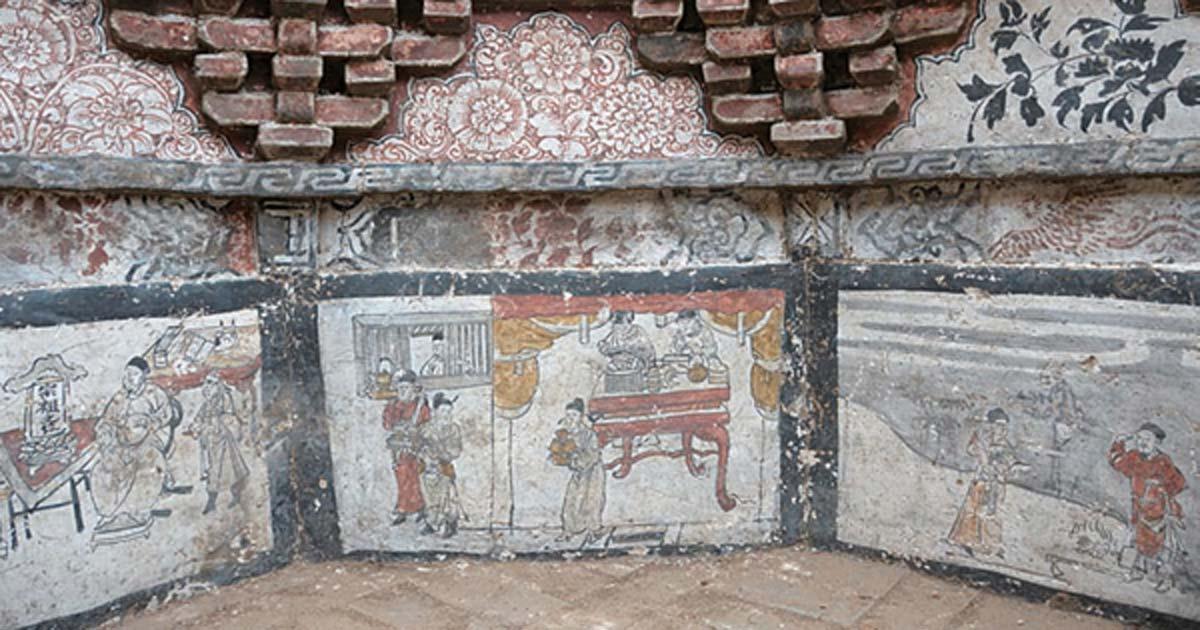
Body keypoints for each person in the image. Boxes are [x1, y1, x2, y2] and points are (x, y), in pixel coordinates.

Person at [90, 357, 182, 535]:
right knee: (103, 468)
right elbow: (106, 421)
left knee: (147, 463)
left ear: (144, 375)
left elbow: (166, 415)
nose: (128, 378)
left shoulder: (154, 394)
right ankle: (110, 513)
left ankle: (138, 511)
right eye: (127, 374)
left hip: (148, 440)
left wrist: (148, 423)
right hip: (122, 443)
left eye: (133, 374)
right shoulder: (120, 398)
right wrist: (105, 433)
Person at [1109, 423, 1187, 592]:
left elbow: (1179, 483)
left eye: (1147, 439)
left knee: (1161, 546)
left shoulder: (1163, 462)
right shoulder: (1134, 457)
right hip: (1139, 509)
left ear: (1157, 442)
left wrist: (1160, 487)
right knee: (1137, 541)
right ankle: (1137, 571)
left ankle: (1165, 579)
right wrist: (1118, 443)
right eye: (1139, 438)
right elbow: (1117, 462)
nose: (1142, 442)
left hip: (1158, 511)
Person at [947, 408, 1027, 558]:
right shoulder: (983, 440)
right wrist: (984, 453)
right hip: (983, 480)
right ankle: (965, 540)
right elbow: (972, 450)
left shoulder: (1004, 444)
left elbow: (1010, 459)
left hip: (997, 482)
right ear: (991, 426)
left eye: (1004, 426)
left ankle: (991, 544)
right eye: (999, 425)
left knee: (993, 514)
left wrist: (1012, 465)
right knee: (973, 510)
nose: (1002, 430)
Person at [189, 372, 250, 515]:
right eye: (207, 383)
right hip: (211, 443)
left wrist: (212, 425)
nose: (207, 386)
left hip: (223, 443)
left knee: (229, 472)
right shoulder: (207, 403)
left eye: (211, 383)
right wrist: (195, 427)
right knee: (213, 472)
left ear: (218, 385)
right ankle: (212, 502)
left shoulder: (224, 399)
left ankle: (234, 497)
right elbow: (199, 417)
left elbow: (228, 418)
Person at [383, 369, 430, 525]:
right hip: (399, 448)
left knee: (415, 477)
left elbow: (427, 425)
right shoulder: (392, 406)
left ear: (413, 389)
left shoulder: (420, 407)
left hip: (417, 447)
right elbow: (387, 424)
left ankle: (418, 507)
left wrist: (418, 431)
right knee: (402, 477)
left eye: (406, 388)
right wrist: (399, 427)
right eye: (400, 388)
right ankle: (404, 508)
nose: (402, 391)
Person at [558, 398, 606, 544]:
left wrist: (576, 460)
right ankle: (568, 530)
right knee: (571, 499)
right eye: (568, 415)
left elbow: (593, 454)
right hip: (578, 472)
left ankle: (594, 531)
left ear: (580, 416)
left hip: (592, 471)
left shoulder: (588, 433)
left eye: (574, 415)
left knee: (592, 500)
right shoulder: (567, 433)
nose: (570, 418)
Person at [417, 393, 464, 537]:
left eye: (449, 411)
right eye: (443, 411)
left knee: (446, 497)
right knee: (429, 498)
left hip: (443, 467)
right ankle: (431, 523)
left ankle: (448, 524)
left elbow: (456, 450)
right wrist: (426, 455)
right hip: (427, 467)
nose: (446, 415)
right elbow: (418, 447)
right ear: (436, 412)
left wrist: (443, 452)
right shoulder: (425, 428)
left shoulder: (454, 429)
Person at [597, 311, 656, 392]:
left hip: (635, 374)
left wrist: (633, 351)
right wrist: (611, 350)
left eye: (623, 323)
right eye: (617, 324)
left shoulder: (638, 331)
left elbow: (649, 353)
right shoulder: (615, 332)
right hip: (615, 374)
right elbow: (602, 347)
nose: (620, 328)